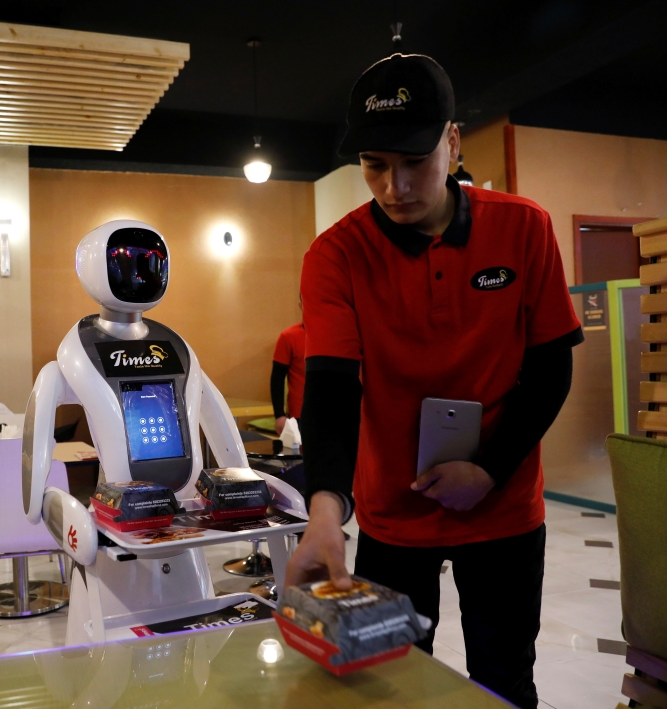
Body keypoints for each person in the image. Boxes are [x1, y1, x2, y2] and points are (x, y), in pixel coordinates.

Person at [285, 54, 581, 709]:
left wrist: (490, 469)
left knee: (504, 683)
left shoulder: (523, 227)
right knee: (386, 686)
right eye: (375, 165)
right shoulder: (335, 254)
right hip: (392, 516)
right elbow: (331, 391)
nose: (394, 187)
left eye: (414, 162)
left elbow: (551, 367)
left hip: (502, 509)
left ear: (452, 141)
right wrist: (327, 511)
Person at [271, 297, 306, 437]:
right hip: (299, 415)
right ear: (301, 305)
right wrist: (279, 415)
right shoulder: (288, 337)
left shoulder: (333, 335)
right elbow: (277, 379)